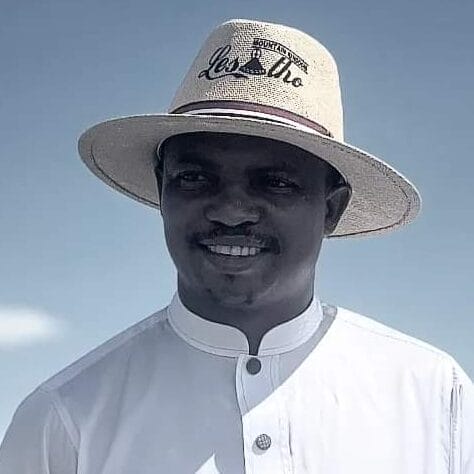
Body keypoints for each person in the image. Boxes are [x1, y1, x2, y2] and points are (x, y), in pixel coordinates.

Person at [0, 18, 472, 474]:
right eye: (195, 178)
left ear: (332, 208)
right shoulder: (64, 422)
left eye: (276, 182)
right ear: (163, 190)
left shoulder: (434, 399)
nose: (231, 211)